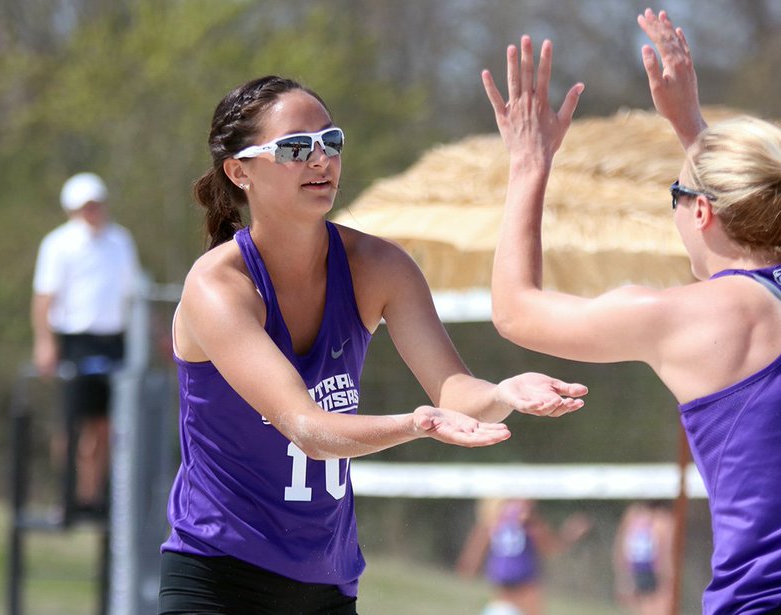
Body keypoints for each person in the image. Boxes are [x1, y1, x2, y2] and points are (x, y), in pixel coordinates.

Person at [480, 8, 781, 615]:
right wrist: (693, 132)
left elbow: (516, 311)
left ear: (700, 213)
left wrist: (528, 162)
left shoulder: (687, 318)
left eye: (676, 196)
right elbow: (768, 228)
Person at [158, 75, 589, 614]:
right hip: (220, 578)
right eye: (296, 147)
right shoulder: (218, 286)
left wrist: (503, 392)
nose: (320, 160)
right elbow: (308, 428)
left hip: (327, 583)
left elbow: (456, 393)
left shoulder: (379, 267)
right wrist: (416, 424)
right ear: (240, 170)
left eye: (330, 141)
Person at [31, 171, 139, 515]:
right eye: (85, 207)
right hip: (76, 342)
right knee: (72, 423)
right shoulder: (57, 244)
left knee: (105, 426)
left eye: (96, 205)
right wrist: (44, 342)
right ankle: (67, 493)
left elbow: (135, 295)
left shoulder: (121, 241)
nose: (92, 212)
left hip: (113, 342)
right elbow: (43, 299)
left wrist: (156, 336)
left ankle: (94, 497)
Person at [456, 498, 592, 615]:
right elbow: (550, 547)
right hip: (523, 590)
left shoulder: (498, 517)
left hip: (504, 590)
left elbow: (477, 547)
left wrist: (470, 565)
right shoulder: (528, 520)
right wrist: (570, 534)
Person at [612, 501, 674, 615]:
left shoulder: (633, 515)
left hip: (636, 569)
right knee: (657, 607)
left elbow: (621, 546)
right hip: (651, 570)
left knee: (643, 607)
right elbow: (665, 550)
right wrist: (668, 576)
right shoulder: (663, 519)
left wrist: (622, 576)